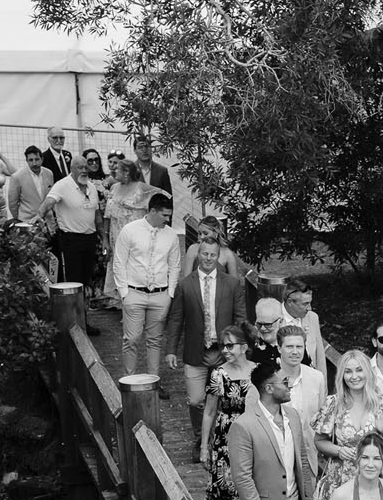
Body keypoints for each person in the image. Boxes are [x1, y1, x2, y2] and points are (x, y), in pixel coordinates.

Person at [166, 238, 247, 461]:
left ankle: (226, 440)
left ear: (218, 256)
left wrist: (239, 347)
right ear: (198, 255)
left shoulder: (231, 283)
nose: (209, 258)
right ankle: (201, 438)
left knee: (227, 398)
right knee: (195, 400)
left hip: (224, 352)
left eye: (213, 255)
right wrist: (171, 349)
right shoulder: (185, 284)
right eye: (205, 254)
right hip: (196, 350)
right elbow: (176, 319)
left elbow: (240, 317)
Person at [227, 360, 312, 500]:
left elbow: (301, 459)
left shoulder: (292, 416)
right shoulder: (243, 425)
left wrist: (307, 499)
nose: (289, 385)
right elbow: (242, 477)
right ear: (268, 388)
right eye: (284, 382)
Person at [314, 349, 383, 500]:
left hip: (376, 477)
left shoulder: (382, 402)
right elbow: (319, 441)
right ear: (341, 375)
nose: (354, 376)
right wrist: (338, 450)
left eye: (359, 370)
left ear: (368, 372)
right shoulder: (333, 403)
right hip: (340, 479)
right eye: (348, 371)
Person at [199, 325, 255, 500]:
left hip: (253, 433)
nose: (225, 350)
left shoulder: (258, 371)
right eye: (223, 345)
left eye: (230, 345)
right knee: (228, 487)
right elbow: (210, 412)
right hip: (227, 435)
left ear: (244, 347)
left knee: (252, 484)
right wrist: (204, 446)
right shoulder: (218, 374)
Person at [112, 193, 181, 378]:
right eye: (164, 215)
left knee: (155, 340)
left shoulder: (172, 235)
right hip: (134, 292)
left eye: (169, 215)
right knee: (131, 339)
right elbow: (119, 262)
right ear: (152, 211)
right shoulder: (129, 230)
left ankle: (153, 381)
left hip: (161, 294)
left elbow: (175, 266)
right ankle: (129, 380)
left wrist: (170, 294)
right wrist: (124, 293)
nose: (168, 219)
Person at [36, 156, 108, 333]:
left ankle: (83, 322)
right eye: (79, 167)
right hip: (71, 241)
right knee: (73, 283)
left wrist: (104, 238)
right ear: (72, 169)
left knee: (86, 282)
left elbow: (97, 216)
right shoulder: (62, 185)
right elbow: (48, 203)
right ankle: (72, 324)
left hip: (90, 240)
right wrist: (39, 216)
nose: (84, 170)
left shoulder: (91, 186)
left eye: (86, 167)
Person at [276, 322, 325, 481]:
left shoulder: (317, 378)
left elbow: (322, 419)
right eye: (289, 347)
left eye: (299, 347)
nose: (295, 352)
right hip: (278, 455)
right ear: (279, 348)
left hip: (309, 455)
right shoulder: (269, 379)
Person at [103, 159, 151, 305]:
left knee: (135, 272)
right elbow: (107, 216)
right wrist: (105, 239)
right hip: (116, 239)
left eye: (117, 169)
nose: (113, 171)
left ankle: (137, 305)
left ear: (127, 172)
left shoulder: (141, 189)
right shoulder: (114, 188)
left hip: (136, 240)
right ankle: (125, 305)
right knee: (120, 271)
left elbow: (154, 212)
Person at [282, 279, 327, 380]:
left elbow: (320, 357)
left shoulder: (312, 318)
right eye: (305, 304)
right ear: (290, 302)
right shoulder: (274, 319)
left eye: (310, 303)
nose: (309, 308)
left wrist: (323, 388)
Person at [181, 215, 241, 279]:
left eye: (205, 233)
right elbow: (186, 279)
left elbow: (234, 283)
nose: (201, 237)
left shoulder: (227, 254)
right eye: (199, 233)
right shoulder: (193, 249)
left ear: (216, 233)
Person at [6, 146, 53, 225]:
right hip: (27, 222)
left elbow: (51, 197)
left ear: (42, 159)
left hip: (48, 221)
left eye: (37, 159)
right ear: (27, 161)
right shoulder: (17, 177)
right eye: (31, 160)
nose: (34, 163)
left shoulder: (49, 174)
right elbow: (12, 203)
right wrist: (20, 219)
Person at [247, 297, 284, 362]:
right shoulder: (250, 348)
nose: (262, 328)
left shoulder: (293, 345)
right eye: (259, 324)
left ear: (280, 322)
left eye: (268, 324)